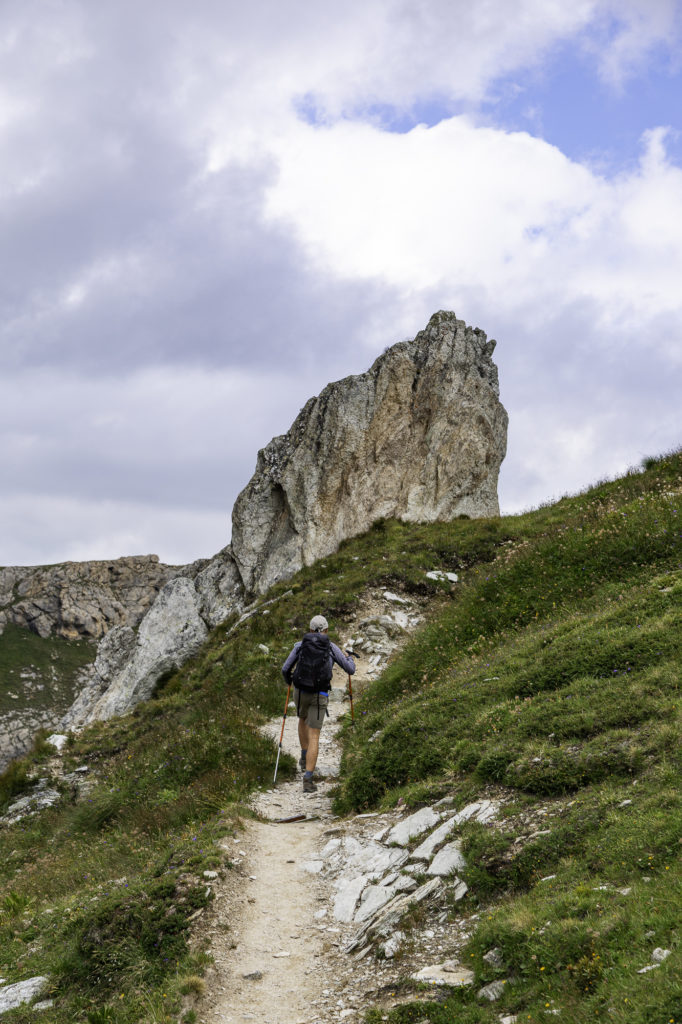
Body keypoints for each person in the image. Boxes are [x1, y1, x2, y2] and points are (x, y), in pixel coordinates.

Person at [281, 614, 356, 792]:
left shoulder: (300, 646)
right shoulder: (331, 647)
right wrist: (350, 657)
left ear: (310, 629)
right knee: (315, 735)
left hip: (301, 691)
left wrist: (290, 681)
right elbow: (350, 669)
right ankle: (308, 779)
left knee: (301, 719)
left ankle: (303, 756)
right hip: (320, 693)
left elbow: (285, 668)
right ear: (326, 630)